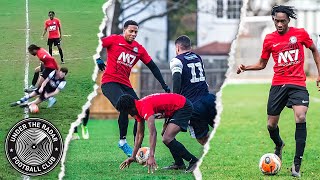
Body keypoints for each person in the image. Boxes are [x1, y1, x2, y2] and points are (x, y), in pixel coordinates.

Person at [237, 5, 320, 178]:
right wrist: (247, 67)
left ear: (289, 20)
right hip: (278, 85)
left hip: (298, 84)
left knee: (301, 116)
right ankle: (279, 144)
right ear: (273, 20)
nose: (280, 24)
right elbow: (262, 64)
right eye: (276, 21)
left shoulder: (300, 34)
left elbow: (314, 50)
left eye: (283, 21)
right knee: (271, 125)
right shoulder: (269, 39)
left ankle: (296, 164)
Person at [96, 20, 170, 157]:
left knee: (140, 113)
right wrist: (98, 58)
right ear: (124, 30)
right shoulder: (114, 39)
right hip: (109, 82)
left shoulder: (139, 49)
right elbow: (95, 43)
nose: (134, 34)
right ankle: (122, 142)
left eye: (136, 32)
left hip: (126, 84)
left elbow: (153, 67)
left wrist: (164, 85)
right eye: (131, 31)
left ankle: (138, 149)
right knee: (124, 104)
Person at [163, 35, 216, 170]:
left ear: (177, 48)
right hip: (209, 99)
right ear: (190, 47)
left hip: (193, 106)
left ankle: (210, 155)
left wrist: (175, 100)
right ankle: (179, 163)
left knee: (201, 138)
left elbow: (176, 79)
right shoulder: (197, 57)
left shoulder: (176, 60)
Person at [116, 93, 198, 173]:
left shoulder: (144, 107)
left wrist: (151, 156)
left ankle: (194, 161)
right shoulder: (137, 109)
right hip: (174, 109)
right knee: (166, 136)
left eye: (127, 112)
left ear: (130, 108)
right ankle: (179, 164)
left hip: (182, 106)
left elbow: (153, 133)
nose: (128, 115)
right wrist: (133, 157)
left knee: (167, 138)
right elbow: (139, 135)